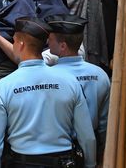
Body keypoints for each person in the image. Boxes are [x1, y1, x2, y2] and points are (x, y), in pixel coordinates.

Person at [0, 17, 96, 168]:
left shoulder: (4, 87)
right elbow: (87, 137)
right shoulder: (70, 82)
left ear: (21, 44)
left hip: (22, 162)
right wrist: (90, 165)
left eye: (14, 40)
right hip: (63, 161)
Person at [45, 14, 111, 164]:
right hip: (92, 148)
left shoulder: (49, 77)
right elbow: (104, 123)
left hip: (58, 150)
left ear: (63, 46)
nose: (47, 41)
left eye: (51, 38)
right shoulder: (100, 75)